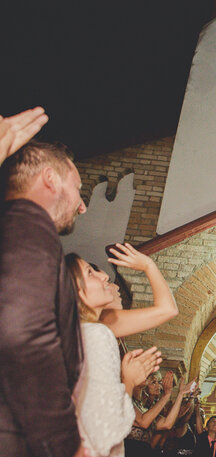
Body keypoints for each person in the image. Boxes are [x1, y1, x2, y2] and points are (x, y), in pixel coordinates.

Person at [0, 140, 86, 457]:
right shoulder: (28, 226)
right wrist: (65, 445)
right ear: (50, 178)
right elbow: (21, 332)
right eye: (77, 188)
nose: (82, 205)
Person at [65, 253, 162, 457]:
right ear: (74, 291)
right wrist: (129, 381)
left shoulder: (73, 335)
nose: (104, 278)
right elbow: (108, 430)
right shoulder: (96, 334)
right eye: (90, 273)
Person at [126, 371, 194, 456]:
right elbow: (143, 422)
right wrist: (166, 395)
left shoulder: (143, 408)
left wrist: (180, 394)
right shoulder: (125, 400)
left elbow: (167, 424)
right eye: (153, 382)